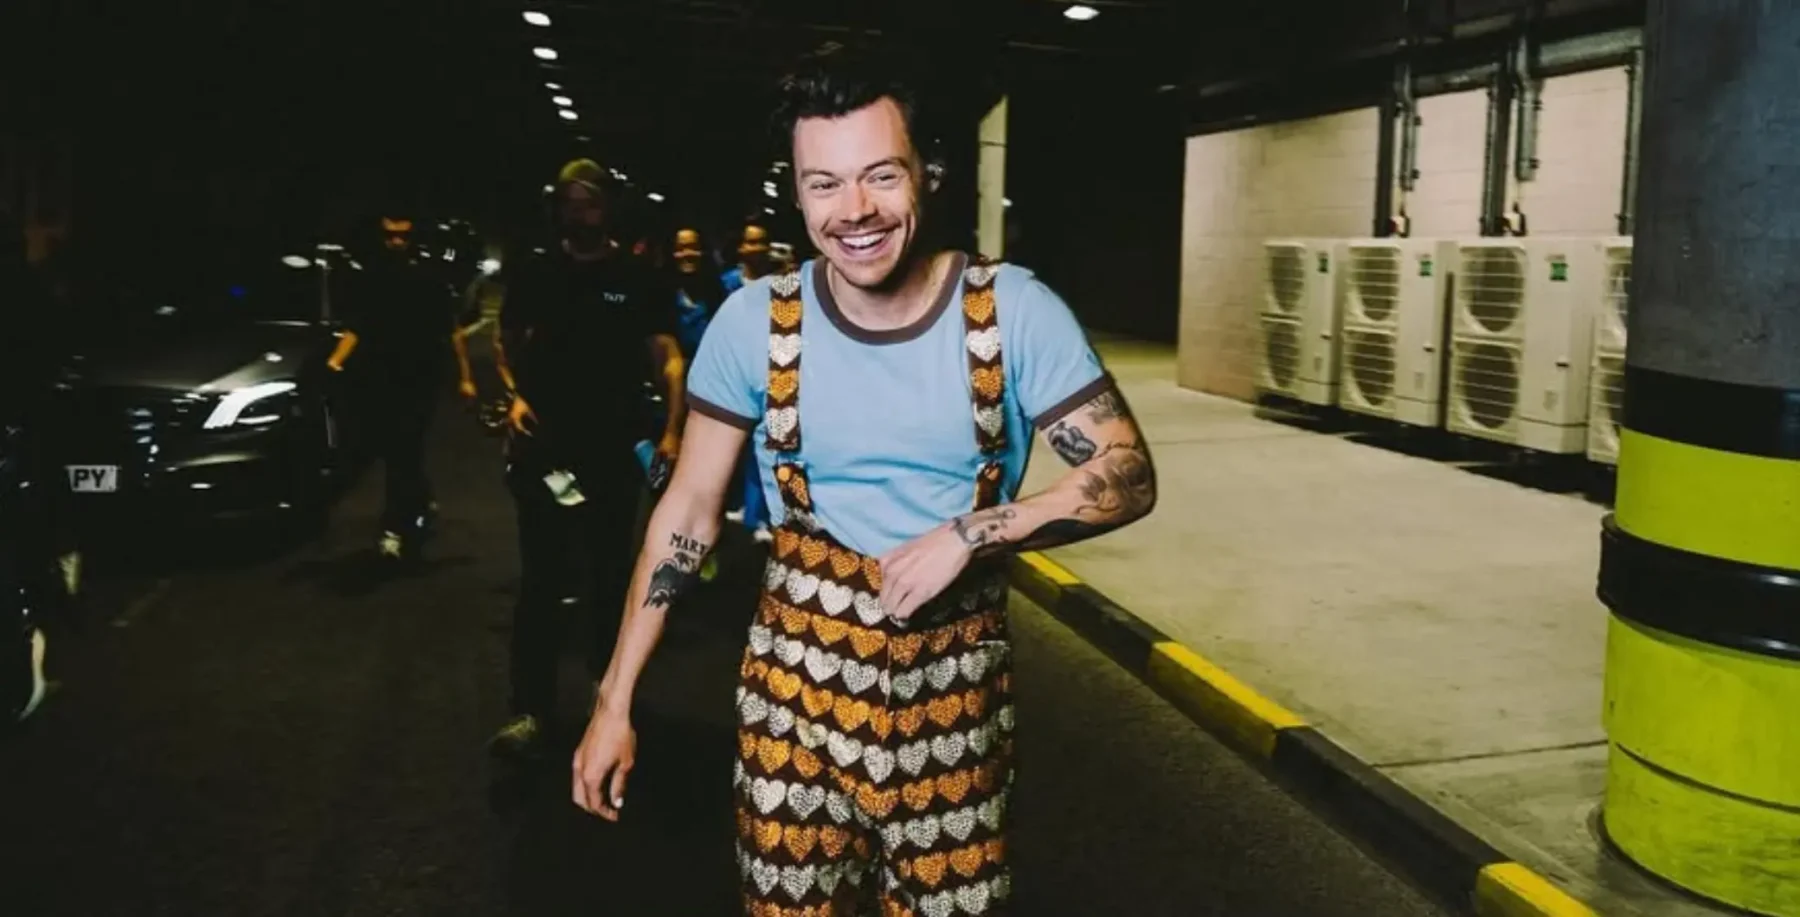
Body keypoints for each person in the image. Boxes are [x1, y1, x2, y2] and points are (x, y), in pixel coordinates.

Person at [570, 55, 1157, 914]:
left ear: (928, 174)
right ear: (799, 198)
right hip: (791, 706)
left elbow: (1127, 472)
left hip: (954, 710)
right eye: (825, 184)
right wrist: (614, 698)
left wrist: (972, 532)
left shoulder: (1013, 312)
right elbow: (687, 510)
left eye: (882, 175)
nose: (855, 211)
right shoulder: (753, 323)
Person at [488, 159, 687, 757]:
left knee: (608, 580)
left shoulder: (638, 277)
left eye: (591, 201)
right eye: (572, 202)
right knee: (541, 581)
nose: (582, 212)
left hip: (610, 452)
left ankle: (611, 701)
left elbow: (669, 357)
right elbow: (503, 342)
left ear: (607, 208)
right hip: (543, 453)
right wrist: (514, 394)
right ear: (561, 211)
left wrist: (673, 432)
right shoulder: (537, 271)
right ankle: (530, 711)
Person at [329, 214, 455, 560]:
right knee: (395, 450)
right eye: (390, 236)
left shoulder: (429, 277)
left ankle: (395, 526)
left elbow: (449, 329)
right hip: (381, 377)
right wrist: (336, 362)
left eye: (403, 236)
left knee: (404, 449)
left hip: (420, 378)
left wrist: (465, 378)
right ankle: (417, 503)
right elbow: (358, 325)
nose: (397, 243)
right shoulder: (371, 276)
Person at [720, 222, 777, 542]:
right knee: (737, 446)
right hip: (731, 371)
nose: (756, 248)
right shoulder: (725, 283)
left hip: (767, 369)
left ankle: (764, 518)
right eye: (750, 242)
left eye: (762, 242)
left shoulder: (780, 283)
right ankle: (747, 506)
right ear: (740, 247)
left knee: (766, 442)